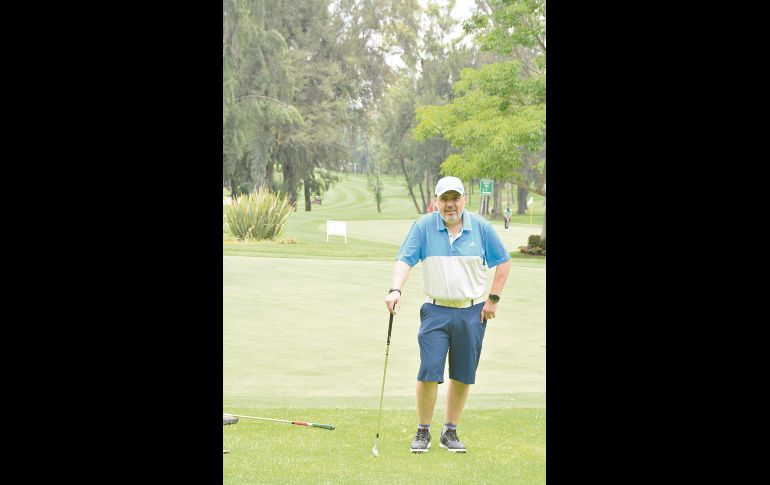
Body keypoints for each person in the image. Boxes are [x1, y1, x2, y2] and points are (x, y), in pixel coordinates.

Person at [384, 176, 512, 454]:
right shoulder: (423, 226)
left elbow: (503, 262)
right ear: (436, 201)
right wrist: (395, 289)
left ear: (464, 199)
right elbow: (405, 260)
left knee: (463, 374)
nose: (450, 204)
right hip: (435, 310)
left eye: (455, 198)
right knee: (429, 370)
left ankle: (449, 431)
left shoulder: (481, 227)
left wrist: (493, 300)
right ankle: (423, 430)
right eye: (444, 199)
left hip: (472, 312)